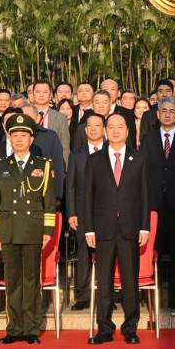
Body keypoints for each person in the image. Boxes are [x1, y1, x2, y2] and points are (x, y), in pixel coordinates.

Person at [0, 114, 59, 344]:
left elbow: (50, 201)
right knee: (13, 280)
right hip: (8, 230)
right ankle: (14, 328)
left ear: (31, 138)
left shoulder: (43, 165)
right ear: (9, 137)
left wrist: (47, 232)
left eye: (23, 135)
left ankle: (31, 329)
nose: (19, 139)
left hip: (32, 229)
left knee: (31, 280)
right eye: (14, 135)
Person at [82, 113, 149, 345]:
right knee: (104, 281)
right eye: (111, 127)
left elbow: (144, 196)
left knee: (130, 281)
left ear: (128, 131)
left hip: (131, 229)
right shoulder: (94, 160)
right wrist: (88, 229)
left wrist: (145, 227)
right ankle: (104, 328)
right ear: (105, 131)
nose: (116, 131)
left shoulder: (138, 158)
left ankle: (130, 328)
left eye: (121, 127)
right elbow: (87, 197)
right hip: (103, 229)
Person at [141, 98, 175, 310]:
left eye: (172, 111)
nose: (168, 114)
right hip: (153, 204)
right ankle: (150, 299)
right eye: (164, 111)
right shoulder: (148, 139)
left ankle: (174, 301)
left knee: (174, 253)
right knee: (151, 251)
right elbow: (142, 172)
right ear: (158, 114)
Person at [65, 113, 107, 311]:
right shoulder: (77, 154)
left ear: (104, 128)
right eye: (89, 126)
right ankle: (82, 295)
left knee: (105, 254)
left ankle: (105, 295)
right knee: (83, 253)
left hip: (107, 212)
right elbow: (70, 186)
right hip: (81, 212)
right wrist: (71, 212)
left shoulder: (112, 151)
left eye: (97, 125)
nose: (93, 129)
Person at [31, 81, 71, 162]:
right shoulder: (25, 114)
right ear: (33, 95)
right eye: (38, 92)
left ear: (50, 96)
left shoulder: (61, 118)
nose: (41, 95)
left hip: (53, 165)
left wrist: (65, 171)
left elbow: (65, 147)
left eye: (45, 92)